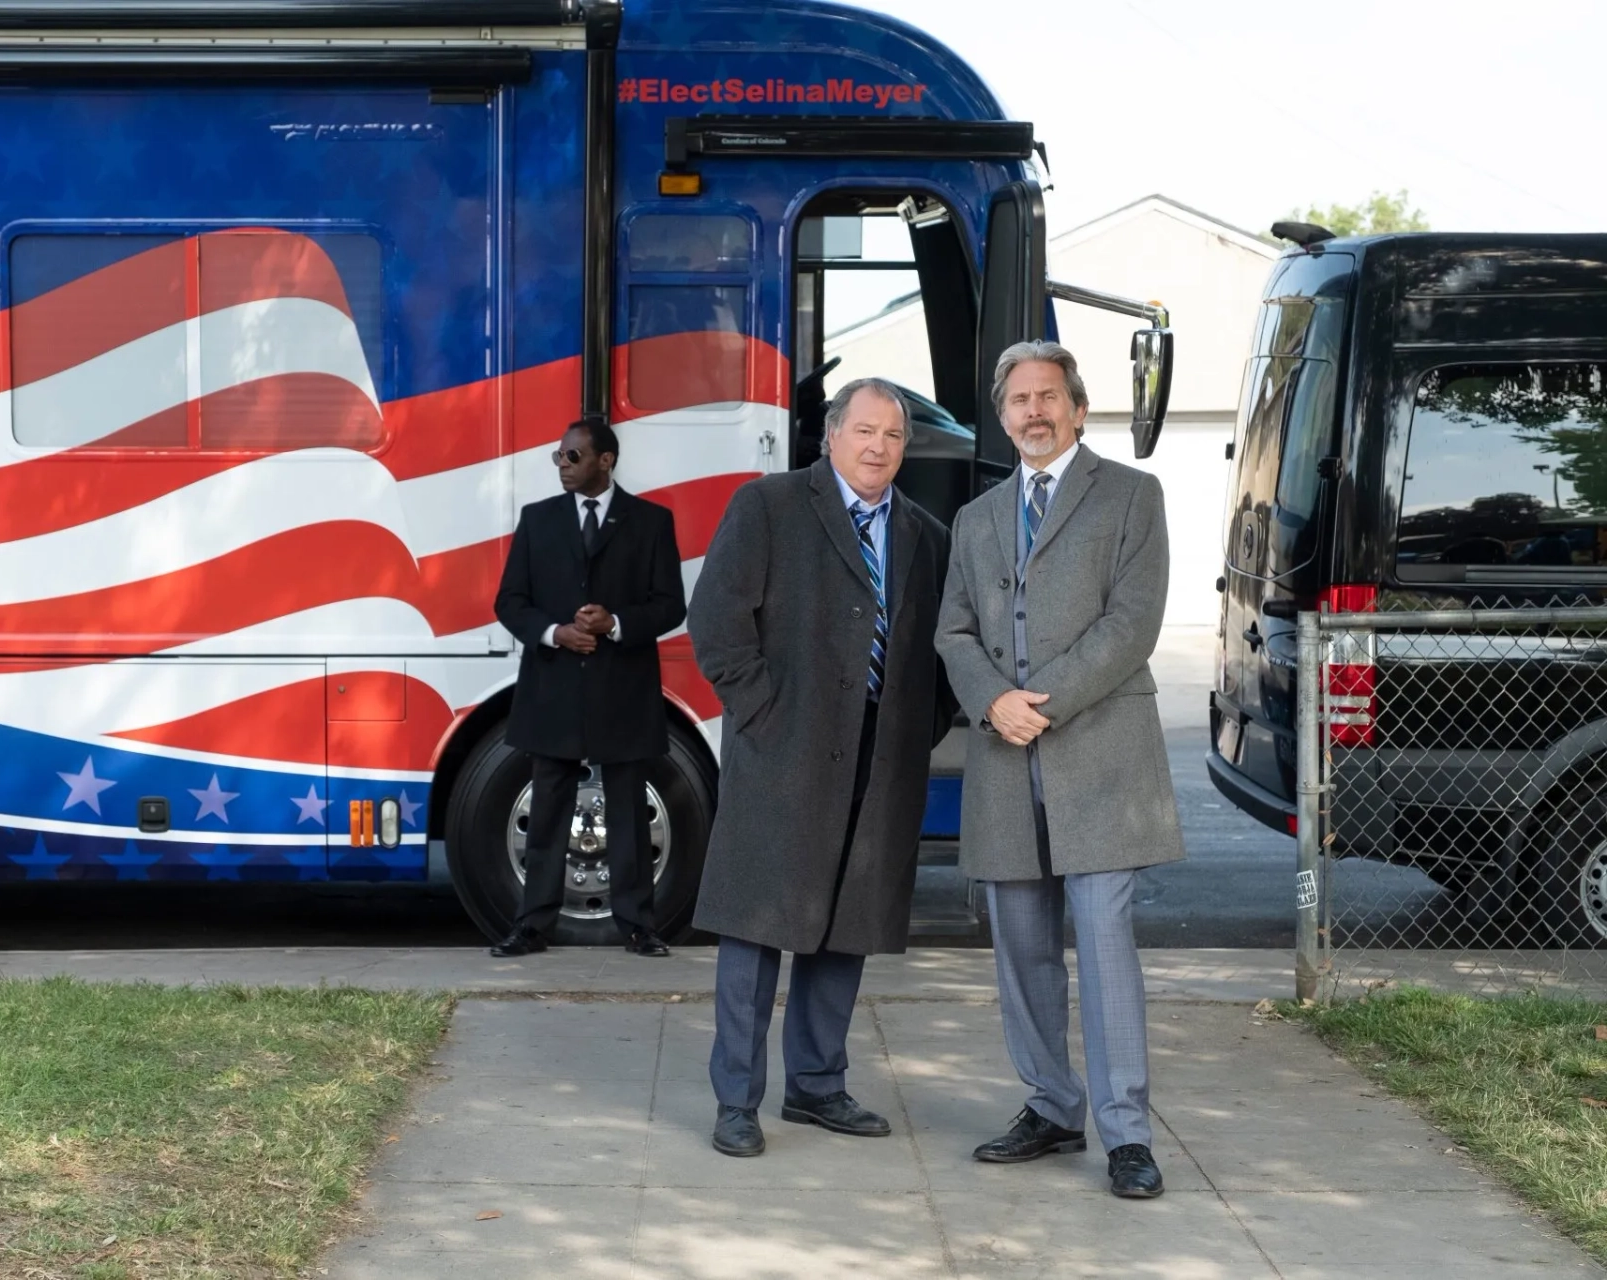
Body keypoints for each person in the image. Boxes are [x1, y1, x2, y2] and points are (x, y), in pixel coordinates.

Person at [934, 341, 1185, 1199]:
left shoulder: (1130, 495)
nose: (1033, 412)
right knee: (1023, 948)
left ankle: (1126, 1135)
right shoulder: (977, 518)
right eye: (1018, 401)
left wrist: (1040, 703)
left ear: (1077, 408)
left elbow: (1133, 623)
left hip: (1100, 758)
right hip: (1005, 764)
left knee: (1106, 948)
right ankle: (1050, 1105)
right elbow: (954, 631)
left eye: (1048, 397)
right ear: (1002, 418)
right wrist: (991, 701)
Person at [687, 378, 956, 1158]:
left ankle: (817, 1087)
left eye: (894, 437)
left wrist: (920, 726)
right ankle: (737, 1101)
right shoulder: (768, 507)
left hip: (881, 759)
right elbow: (716, 621)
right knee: (756, 924)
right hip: (784, 752)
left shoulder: (924, 535)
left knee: (848, 925)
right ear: (832, 435)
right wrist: (764, 714)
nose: (878, 447)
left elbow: (939, 648)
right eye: (865, 431)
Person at [490, 417, 687, 958]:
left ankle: (638, 927)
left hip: (623, 691)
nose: (563, 467)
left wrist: (615, 623)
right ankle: (531, 926)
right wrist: (557, 633)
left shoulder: (650, 522)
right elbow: (510, 602)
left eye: (573, 457)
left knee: (627, 810)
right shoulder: (537, 521)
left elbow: (671, 605)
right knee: (548, 811)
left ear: (606, 460)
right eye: (558, 457)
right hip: (553, 690)